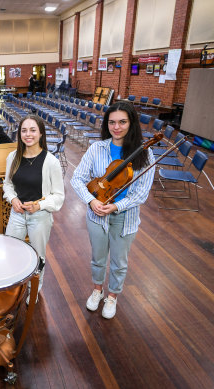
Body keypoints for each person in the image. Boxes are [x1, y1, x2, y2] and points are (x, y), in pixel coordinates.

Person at [70, 101, 155, 319]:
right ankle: (97, 290)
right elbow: (77, 179)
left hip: (125, 218)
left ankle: (112, 296)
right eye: (112, 122)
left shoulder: (145, 153)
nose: (116, 127)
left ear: (132, 123)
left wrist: (117, 206)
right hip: (97, 215)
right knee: (98, 258)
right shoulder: (96, 148)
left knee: (119, 262)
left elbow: (141, 193)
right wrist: (91, 201)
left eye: (122, 122)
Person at [3, 115, 64, 304]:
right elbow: (7, 184)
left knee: (38, 256)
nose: (28, 134)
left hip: (40, 216)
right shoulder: (13, 157)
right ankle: (15, 286)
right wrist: (13, 199)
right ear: (19, 133)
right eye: (24, 130)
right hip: (17, 214)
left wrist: (39, 205)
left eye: (32, 130)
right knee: (12, 251)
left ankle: (34, 289)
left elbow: (58, 196)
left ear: (40, 133)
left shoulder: (51, 162)